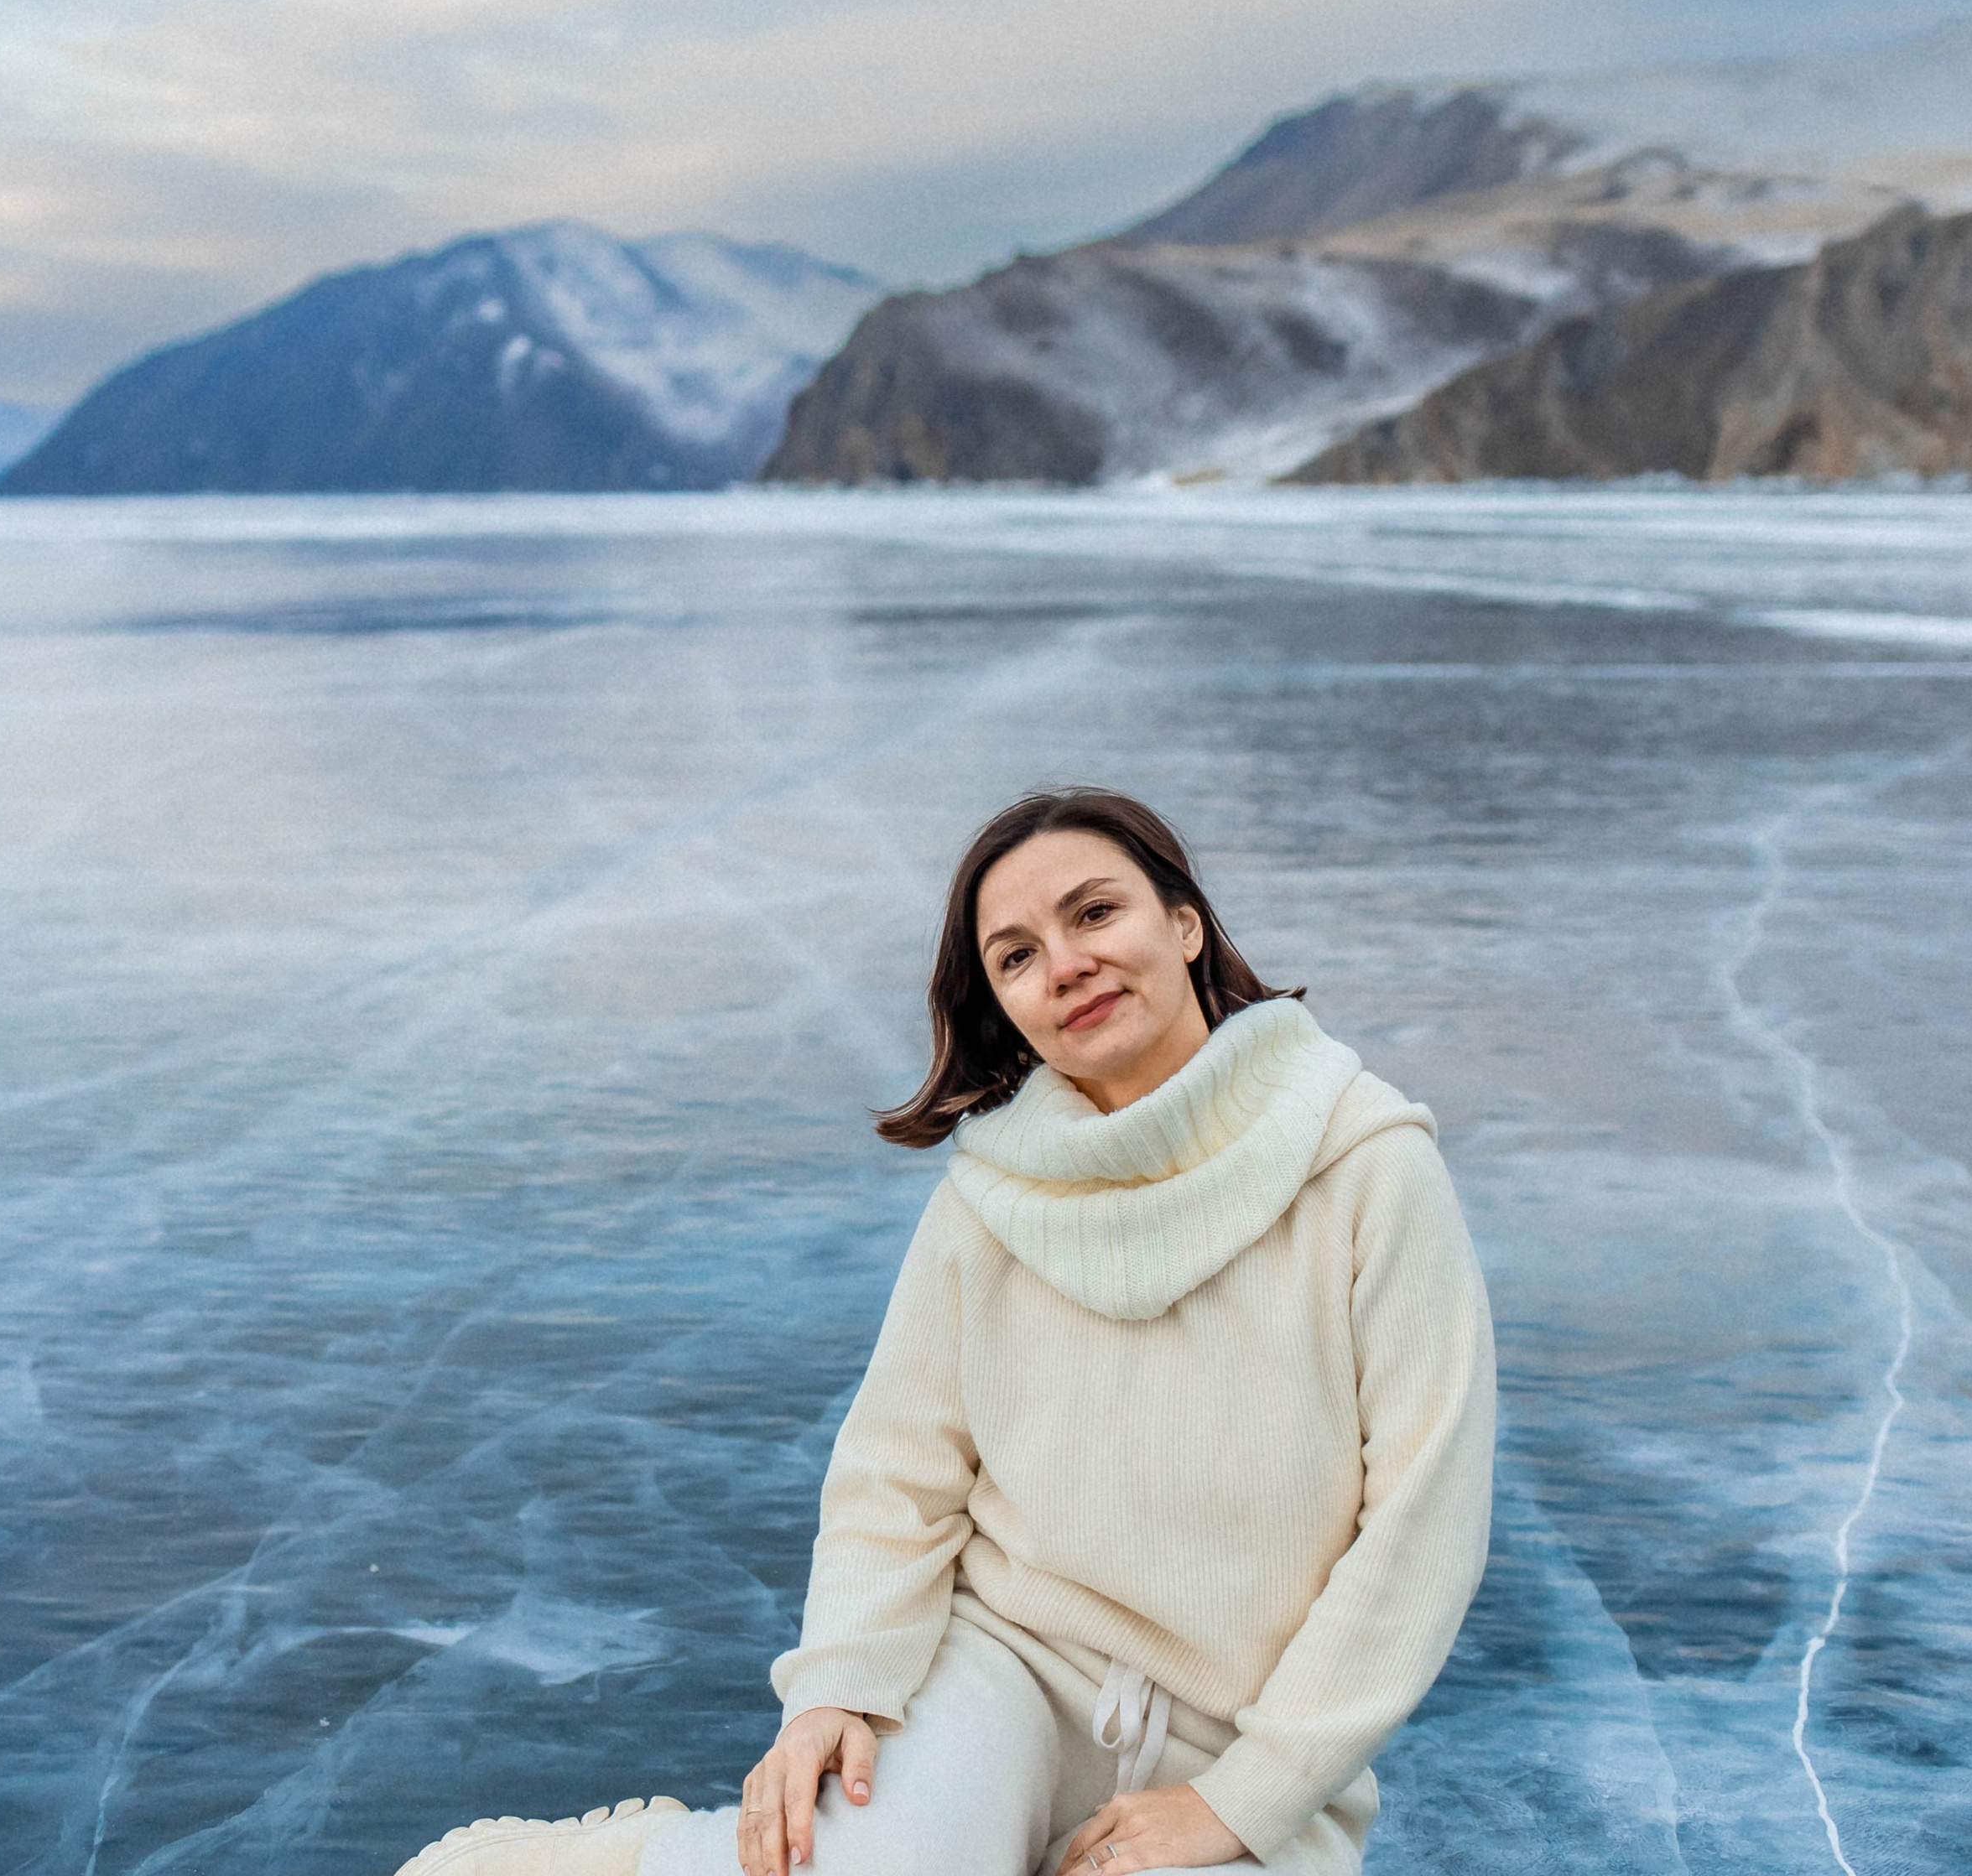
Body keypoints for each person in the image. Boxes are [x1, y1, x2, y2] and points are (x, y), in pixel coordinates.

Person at [395, 789, 1496, 1876]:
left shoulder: (1366, 1162)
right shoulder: (994, 1197)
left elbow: (1422, 1523)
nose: (1063, 965)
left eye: (1094, 915)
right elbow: (896, 1473)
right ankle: (656, 1858)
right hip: (1002, 1669)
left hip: (1244, 1740)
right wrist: (837, 1685)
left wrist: (1244, 1802)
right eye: (1015, 956)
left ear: (1185, 924)